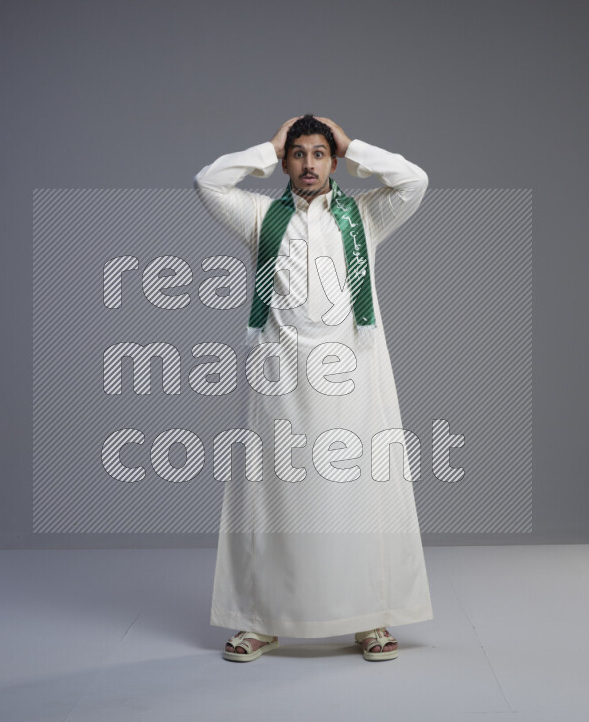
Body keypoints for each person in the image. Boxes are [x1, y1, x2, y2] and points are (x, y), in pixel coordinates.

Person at [194, 115, 433, 662]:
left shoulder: (366, 215)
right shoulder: (259, 217)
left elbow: (414, 180)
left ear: (333, 161)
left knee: (358, 494)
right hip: (278, 377)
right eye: (297, 154)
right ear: (285, 162)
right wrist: (267, 145)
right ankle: (259, 620)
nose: (308, 164)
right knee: (271, 496)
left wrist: (353, 145)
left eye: (319, 153)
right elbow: (208, 182)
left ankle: (370, 617)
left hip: (353, 374)